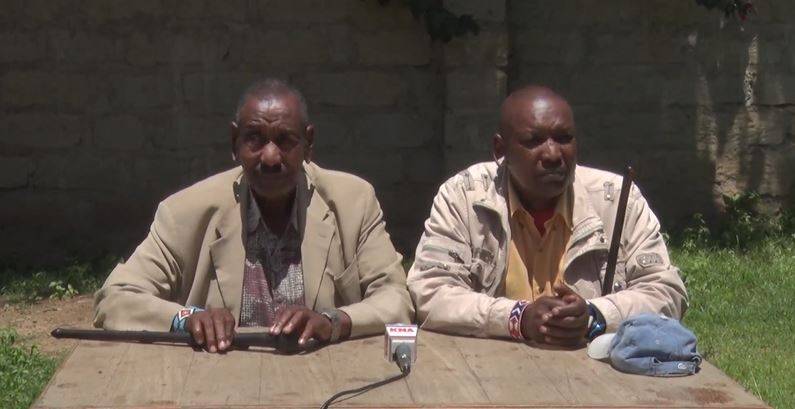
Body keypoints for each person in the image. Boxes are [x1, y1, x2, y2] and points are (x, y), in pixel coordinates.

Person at [94, 79, 413, 352]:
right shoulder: (185, 212)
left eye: (286, 140)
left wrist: (334, 322)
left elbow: (396, 298)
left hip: (329, 379)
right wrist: (187, 319)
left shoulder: (353, 202)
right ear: (235, 143)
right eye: (255, 140)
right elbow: (116, 298)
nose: (271, 157)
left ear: (308, 143)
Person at [407, 85, 687, 348]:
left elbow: (665, 291)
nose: (553, 154)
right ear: (500, 150)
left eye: (564, 139)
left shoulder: (616, 199)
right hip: (487, 368)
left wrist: (594, 316)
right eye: (534, 141)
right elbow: (429, 291)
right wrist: (517, 317)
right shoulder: (464, 196)